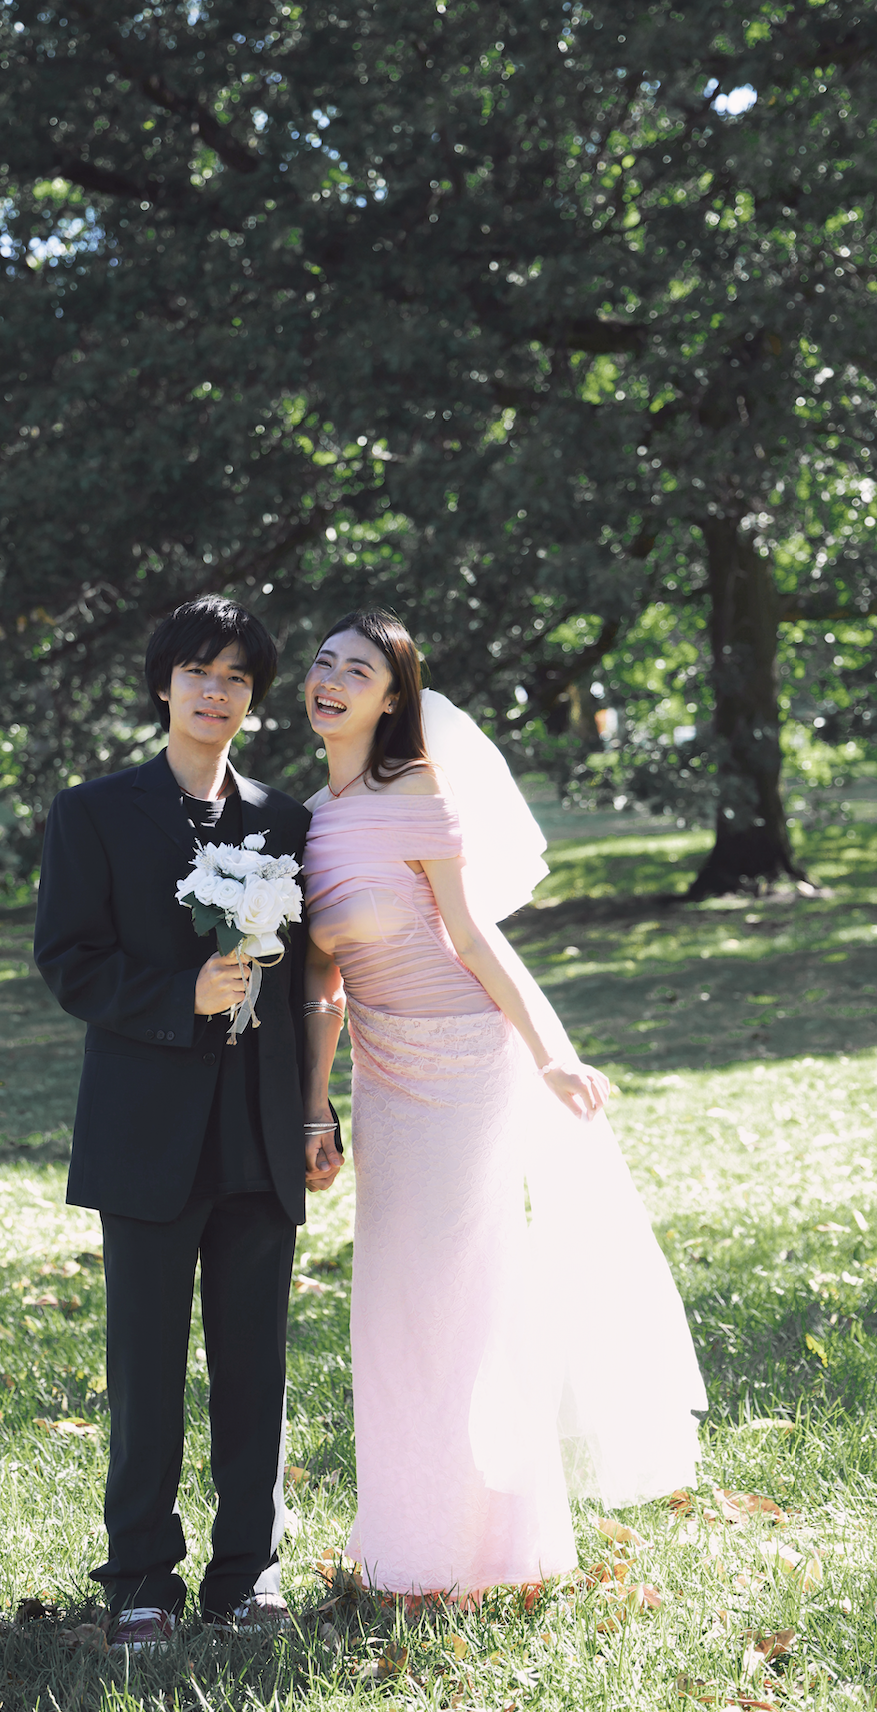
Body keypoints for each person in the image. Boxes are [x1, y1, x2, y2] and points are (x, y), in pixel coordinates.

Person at [300, 609, 706, 1601]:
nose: (334, 678)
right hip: (384, 1072)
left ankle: (499, 1544)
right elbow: (325, 983)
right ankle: (408, 1543)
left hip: (465, 1059)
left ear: (393, 698)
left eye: (360, 668)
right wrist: (315, 1110)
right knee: (391, 1306)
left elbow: (475, 940)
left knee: (461, 1294)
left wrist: (554, 1055)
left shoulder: (417, 792)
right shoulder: (307, 818)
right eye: (324, 661)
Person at [34, 595, 341, 1648]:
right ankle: (141, 1580)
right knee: (147, 1368)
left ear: (253, 700)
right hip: (144, 1133)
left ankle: (245, 1572)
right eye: (199, 673)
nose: (217, 692)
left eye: (237, 679)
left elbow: (307, 985)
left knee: (257, 1365)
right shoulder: (94, 813)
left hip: (258, 1133)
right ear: (164, 684)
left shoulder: (283, 820)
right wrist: (182, 998)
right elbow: (67, 960)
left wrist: (315, 1110)